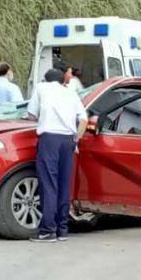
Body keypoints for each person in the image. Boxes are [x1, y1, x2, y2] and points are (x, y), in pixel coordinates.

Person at [26, 67, 86, 242]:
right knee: (63, 184)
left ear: (45, 80)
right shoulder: (71, 93)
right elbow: (83, 119)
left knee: (48, 184)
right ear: (62, 81)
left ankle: (47, 230)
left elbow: (31, 114)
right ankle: (62, 230)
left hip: (49, 139)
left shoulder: (41, 88)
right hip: (68, 141)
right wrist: (76, 140)